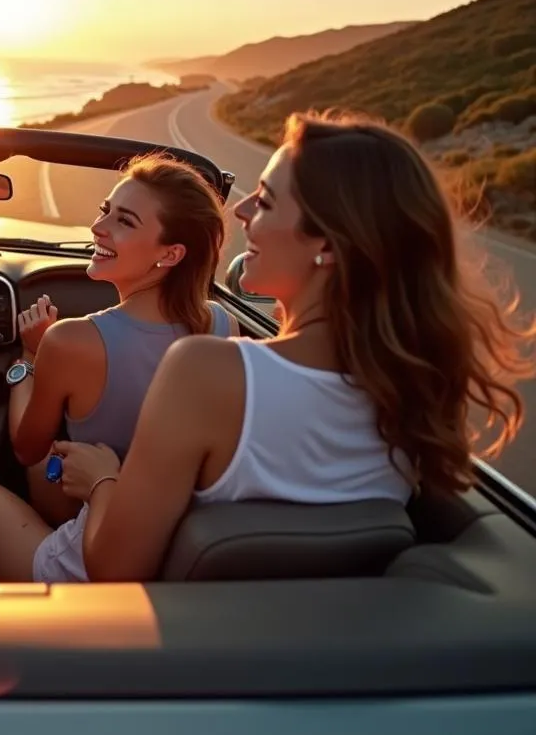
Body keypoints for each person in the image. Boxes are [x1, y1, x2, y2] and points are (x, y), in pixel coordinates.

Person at [50, 110, 535, 583]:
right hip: (303, 636)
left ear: (326, 242)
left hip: (141, 629)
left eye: (262, 202)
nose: (239, 212)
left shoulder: (206, 370)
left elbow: (114, 571)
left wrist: (102, 479)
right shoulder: (414, 390)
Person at [0, 150, 236, 582]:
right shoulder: (225, 324)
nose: (98, 228)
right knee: (59, 463)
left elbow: (27, 447)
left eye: (125, 221)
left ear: (171, 255)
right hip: (178, 547)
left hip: (100, 559)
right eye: (105, 211)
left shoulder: (74, 339)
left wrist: (30, 359)